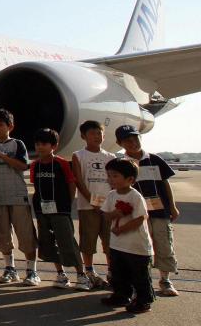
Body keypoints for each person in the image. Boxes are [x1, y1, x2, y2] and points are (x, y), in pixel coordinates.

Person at [116, 124, 180, 296]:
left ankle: (165, 280)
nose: (133, 143)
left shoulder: (155, 159)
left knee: (164, 243)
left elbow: (165, 183)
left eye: (135, 138)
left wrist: (172, 206)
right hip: (136, 214)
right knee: (139, 247)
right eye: (127, 140)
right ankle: (141, 282)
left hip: (159, 211)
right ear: (119, 143)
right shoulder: (121, 165)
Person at [29, 128, 90, 290]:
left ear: (54, 146)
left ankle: (81, 275)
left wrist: (67, 204)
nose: (40, 147)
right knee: (49, 243)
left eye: (44, 144)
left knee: (67, 241)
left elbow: (71, 183)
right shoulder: (35, 165)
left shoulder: (62, 163)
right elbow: (36, 185)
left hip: (60, 210)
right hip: (42, 210)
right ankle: (61, 274)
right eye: (37, 144)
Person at [0, 109, 37, 285]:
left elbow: (23, 166)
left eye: (1, 125)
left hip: (17, 195)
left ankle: (31, 270)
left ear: (10, 126)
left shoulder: (17, 144)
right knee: (2, 235)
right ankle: (10, 268)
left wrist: (2, 156)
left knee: (26, 234)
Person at [100, 157, 155, 313]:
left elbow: (140, 218)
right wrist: (114, 214)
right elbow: (105, 215)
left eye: (115, 176)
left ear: (130, 179)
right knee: (119, 273)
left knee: (140, 276)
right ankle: (121, 295)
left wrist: (122, 229)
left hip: (136, 246)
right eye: (109, 175)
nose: (111, 179)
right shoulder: (112, 195)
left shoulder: (135, 196)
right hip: (118, 245)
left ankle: (144, 301)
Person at [71, 120, 115, 288]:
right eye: (92, 133)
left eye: (99, 133)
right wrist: (92, 200)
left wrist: (108, 203)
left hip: (108, 206)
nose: (97, 136)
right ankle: (89, 271)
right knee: (88, 241)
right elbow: (79, 180)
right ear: (83, 136)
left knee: (110, 241)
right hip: (88, 206)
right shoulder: (79, 155)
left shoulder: (110, 157)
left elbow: (113, 182)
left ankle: (112, 271)